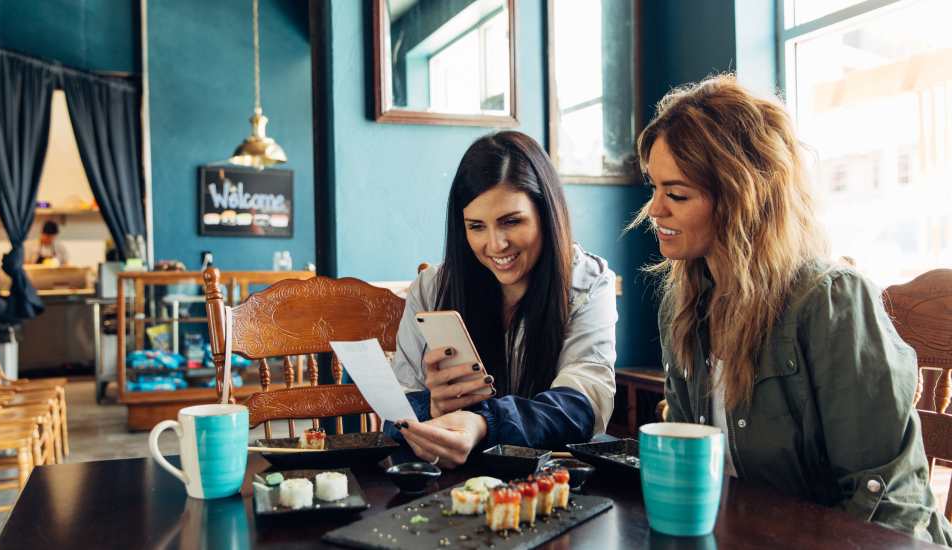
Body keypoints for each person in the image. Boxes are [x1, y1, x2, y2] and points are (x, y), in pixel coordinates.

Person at [633, 74, 951, 544]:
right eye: (655, 187)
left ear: (742, 197)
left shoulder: (832, 301)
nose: (655, 209)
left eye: (676, 194)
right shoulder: (681, 306)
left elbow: (884, 502)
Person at [390, 131, 618, 469]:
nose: (496, 245)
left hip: (554, 481)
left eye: (511, 222)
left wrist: (484, 423)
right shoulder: (431, 288)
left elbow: (582, 404)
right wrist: (433, 410)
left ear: (546, 214)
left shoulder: (587, 282)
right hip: (456, 486)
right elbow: (396, 417)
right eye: (476, 226)